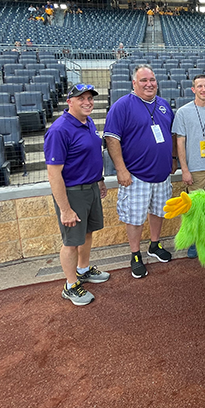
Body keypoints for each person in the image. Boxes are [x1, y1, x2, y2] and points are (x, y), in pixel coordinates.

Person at [104, 65, 177, 279]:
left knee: (158, 212)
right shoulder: (122, 106)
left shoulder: (163, 105)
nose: (149, 84)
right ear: (134, 83)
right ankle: (135, 254)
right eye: (143, 80)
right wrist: (121, 169)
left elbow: (171, 134)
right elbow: (111, 138)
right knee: (135, 218)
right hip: (135, 175)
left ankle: (154, 245)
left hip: (161, 174)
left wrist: (173, 158)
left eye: (152, 80)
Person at [44, 84, 109, 306]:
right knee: (71, 242)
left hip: (90, 187)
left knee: (88, 233)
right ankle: (70, 285)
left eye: (90, 98)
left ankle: (82, 270)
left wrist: (99, 180)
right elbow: (54, 174)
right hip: (72, 193)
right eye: (81, 98)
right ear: (69, 102)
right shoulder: (59, 130)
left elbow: (92, 155)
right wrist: (65, 209)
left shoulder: (88, 121)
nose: (87, 102)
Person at [172, 74, 205, 256]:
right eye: (199, 86)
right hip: (194, 169)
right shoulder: (183, 112)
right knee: (196, 208)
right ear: (193, 89)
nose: (203, 89)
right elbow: (180, 142)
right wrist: (184, 169)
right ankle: (196, 239)